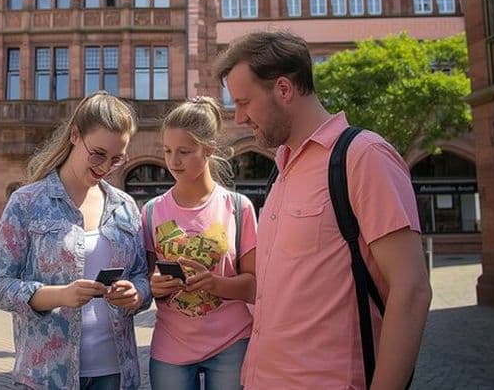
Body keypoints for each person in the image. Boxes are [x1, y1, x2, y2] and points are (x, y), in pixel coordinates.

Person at [214, 31, 432, 389]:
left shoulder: (363, 156)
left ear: (283, 89)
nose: (239, 118)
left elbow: (411, 291)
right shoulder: (282, 168)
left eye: (244, 102)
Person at [0, 92, 151, 390]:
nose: (105, 167)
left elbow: (141, 275)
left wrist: (136, 293)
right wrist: (59, 295)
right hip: (46, 374)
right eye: (98, 154)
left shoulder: (125, 206)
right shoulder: (27, 202)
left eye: (116, 159)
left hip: (115, 372)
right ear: (75, 135)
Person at [145, 98, 257, 390]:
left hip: (232, 342)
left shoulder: (238, 206)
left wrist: (214, 284)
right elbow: (144, 279)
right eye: (168, 151)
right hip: (171, 344)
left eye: (184, 151)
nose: (173, 162)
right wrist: (153, 286)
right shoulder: (152, 211)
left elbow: (256, 286)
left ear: (209, 149)